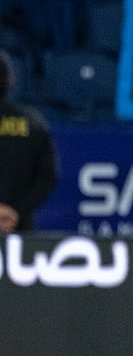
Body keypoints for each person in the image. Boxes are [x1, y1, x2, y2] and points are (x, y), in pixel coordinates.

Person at [0, 48, 58, 232]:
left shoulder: (34, 123)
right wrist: (15, 211)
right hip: (18, 228)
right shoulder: (33, 122)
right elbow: (48, 175)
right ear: (10, 81)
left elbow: (48, 175)